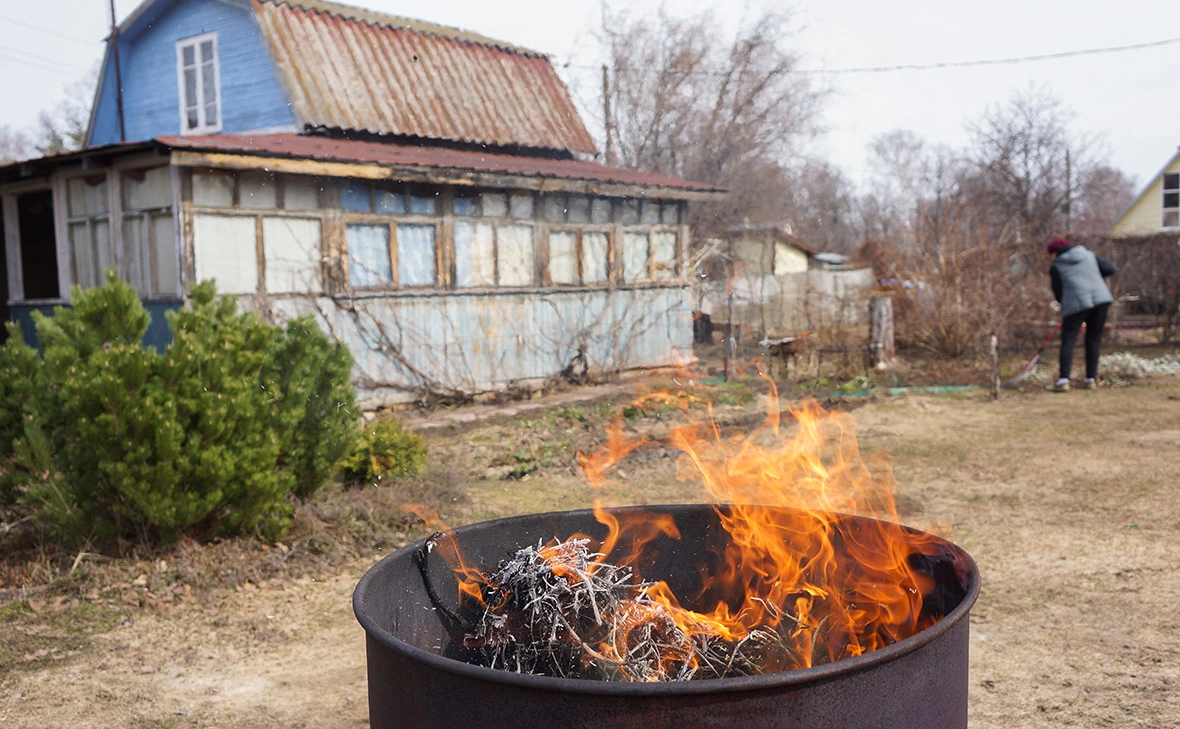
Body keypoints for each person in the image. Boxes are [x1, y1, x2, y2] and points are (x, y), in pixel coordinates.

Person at [1046, 238, 1117, 392]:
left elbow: (1058, 292)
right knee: (1093, 339)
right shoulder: (1089, 255)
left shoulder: (1057, 266)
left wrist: (1065, 303)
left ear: (1055, 253)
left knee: (1068, 340)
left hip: (1076, 304)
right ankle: (1090, 380)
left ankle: (1064, 381)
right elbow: (1110, 269)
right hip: (1101, 300)